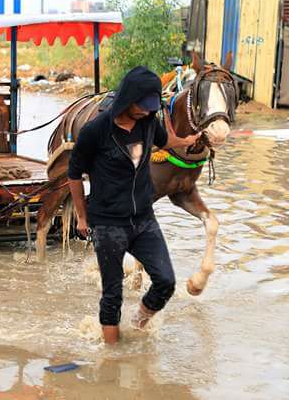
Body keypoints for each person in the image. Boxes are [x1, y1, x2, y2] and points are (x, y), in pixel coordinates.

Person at [67, 66, 201, 344]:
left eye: (151, 107)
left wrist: (187, 141)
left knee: (166, 281)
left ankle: (138, 322)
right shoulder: (96, 131)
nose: (145, 111)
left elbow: (165, 141)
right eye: (142, 106)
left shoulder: (149, 122)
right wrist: (81, 216)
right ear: (128, 98)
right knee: (112, 293)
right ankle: (112, 355)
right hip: (108, 222)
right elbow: (74, 174)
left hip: (143, 219)